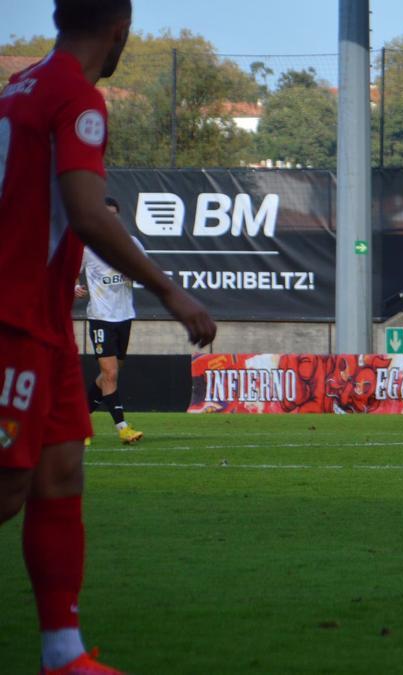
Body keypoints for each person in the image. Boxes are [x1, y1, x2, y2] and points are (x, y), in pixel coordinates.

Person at [0, 3, 217, 673]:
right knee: (6, 490)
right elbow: (90, 214)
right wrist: (170, 289)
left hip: (45, 323)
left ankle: (63, 652)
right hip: (12, 316)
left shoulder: (21, 84)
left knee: (62, 473)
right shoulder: (77, 95)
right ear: (120, 29)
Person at [74, 196, 145, 445]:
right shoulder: (86, 247)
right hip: (101, 318)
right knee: (110, 373)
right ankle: (123, 428)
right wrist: (74, 286)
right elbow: (70, 271)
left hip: (124, 316)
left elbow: (144, 270)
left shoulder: (131, 243)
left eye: (114, 215)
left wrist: (134, 271)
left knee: (110, 374)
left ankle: (77, 424)